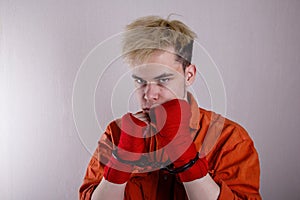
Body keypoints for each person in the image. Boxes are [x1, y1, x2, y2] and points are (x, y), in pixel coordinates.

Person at [79, 15, 261, 200]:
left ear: (188, 75)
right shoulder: (116, 134)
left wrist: (186, 157)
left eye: (163, 80)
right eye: (140, 81)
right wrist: (121, 162)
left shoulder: (230, 139)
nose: (149, 95)